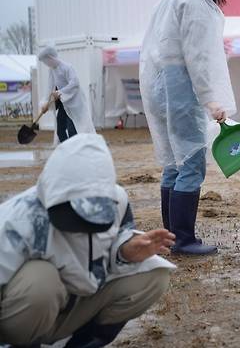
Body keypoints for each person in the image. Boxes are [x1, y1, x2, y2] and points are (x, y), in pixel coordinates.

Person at [0, 134, 174, 347]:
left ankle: (82, 343)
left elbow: (111, 240)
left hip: (77, 303)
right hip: (25, 319)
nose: (83, 223)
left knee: (153, 273)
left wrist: (124, 251)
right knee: (41, 279)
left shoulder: (115, 201)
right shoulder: (15, 221)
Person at [140, 0, 236, 255]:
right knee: (192, 161)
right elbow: (198, 58)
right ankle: (183, 239)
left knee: (173, 163)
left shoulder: (167, 0)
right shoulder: (195, 4)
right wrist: (212, 101)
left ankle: (169, 237)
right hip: (180, 87)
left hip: (158, 87)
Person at [38, 46, 95, 142]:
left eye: (45, 61)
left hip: (75, 103)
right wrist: (45, 103)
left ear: (51, 58)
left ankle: (76, 150)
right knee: (60, 130)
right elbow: (50, 87)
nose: (46, 64)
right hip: (64, 104)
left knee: (73, 130)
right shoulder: (52, 70)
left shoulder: (67, 67)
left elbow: (75, 83)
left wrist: (60, 92)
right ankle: (66, 149)